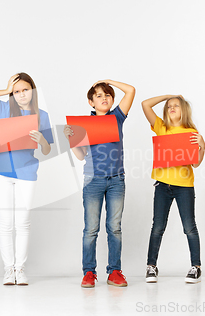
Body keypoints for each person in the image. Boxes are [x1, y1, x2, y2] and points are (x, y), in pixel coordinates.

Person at [0, 73, 53, 285]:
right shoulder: (3, 109)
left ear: (33, 91)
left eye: (25, 90)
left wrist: (42, 140)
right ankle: (8, 269)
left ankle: (20, 268)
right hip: (1, 171)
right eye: (17, 91)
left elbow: (47, 150)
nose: (21, 94)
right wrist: (5, 90)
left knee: (23, 222)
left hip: (27, 173)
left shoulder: (41, 116)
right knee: (5, 223)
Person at [64, 79, 135, 288]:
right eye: (99, 96)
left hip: (116, 179)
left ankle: (114, 271)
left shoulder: (117, 117)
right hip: (93, 180)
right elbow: (80, 155)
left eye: (107, 95)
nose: (104, 98)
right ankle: (88, 272)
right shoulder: (85, 125)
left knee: (114, 228)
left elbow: (131, 90)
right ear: (91, 102)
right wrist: (72, 141)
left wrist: (107, 82)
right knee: (91, 229)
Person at [141, 95, 205, 284]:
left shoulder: (191, 132)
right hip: (162, 185)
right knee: (157, 227)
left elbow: (195, 163)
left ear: (184, 109)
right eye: (169, 106)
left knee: (189, 227)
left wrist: (202, 146)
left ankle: (196, 267)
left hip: (184, 186)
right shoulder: (162, 127)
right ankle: (151, 266)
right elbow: (145, 105)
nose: (171, 108)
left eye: (176, 105)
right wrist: (166, 97)